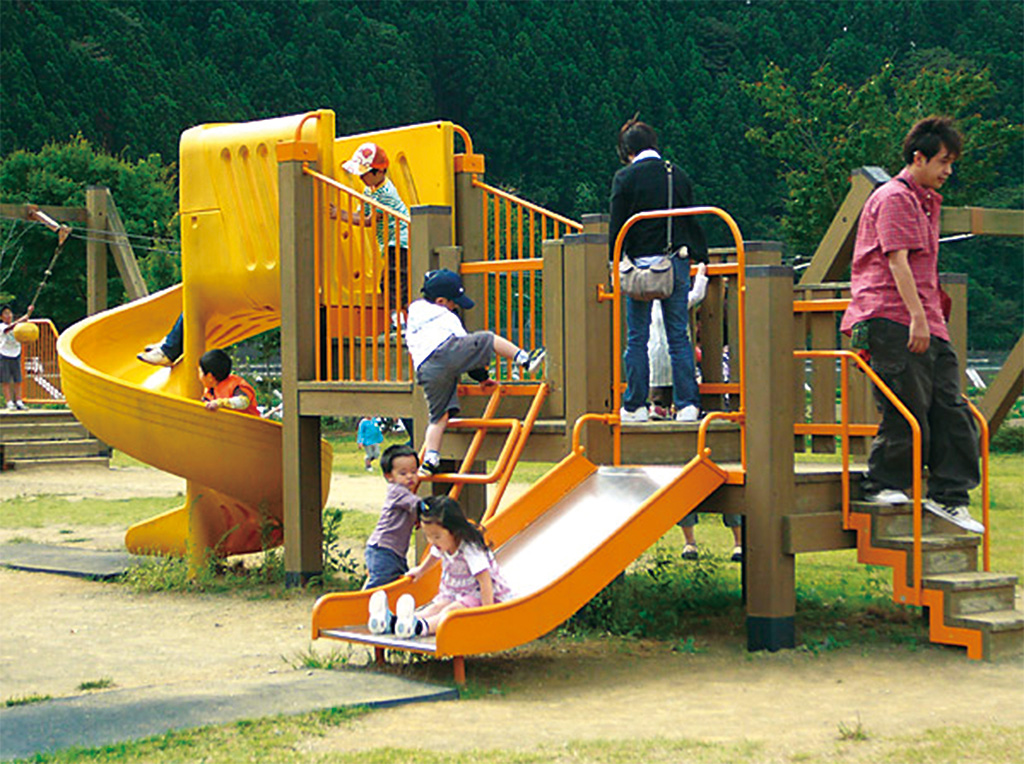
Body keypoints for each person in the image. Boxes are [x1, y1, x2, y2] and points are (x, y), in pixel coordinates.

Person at [840, 116, 983, 534]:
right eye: (943, 161)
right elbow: (896, 260)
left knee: (953, 409)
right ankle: (884, 482)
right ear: (918, 158)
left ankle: (950, 496)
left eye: (951, 163)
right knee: (907, 405)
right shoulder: (895, 198)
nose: (948, 171)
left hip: (926, 318)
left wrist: (930, 317)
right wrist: (918, 317)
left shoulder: (925, 201)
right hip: (892, 314)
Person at [609, 117, 709, 423]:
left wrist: (614, 261)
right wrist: (701, 256)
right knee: (679, 335)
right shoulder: (676, 175)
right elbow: (691, 218)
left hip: (639, 266)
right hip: (675, 262)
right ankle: (688, 405)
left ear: (627, 150)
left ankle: (635, 405)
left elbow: (617, 227)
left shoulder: (625, 177)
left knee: (636, 338)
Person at [406, 268, 545, 477]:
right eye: (454, 302)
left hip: (425, 369)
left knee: (438, 417)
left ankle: (430, 460)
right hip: (447, 352)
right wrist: (483, 378)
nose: (455, 307)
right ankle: (525, 360)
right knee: (487, 339)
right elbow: (466, 352)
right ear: (442, 301)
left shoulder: (415, 312)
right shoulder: (446, 316)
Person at [367, 495, 513, 638]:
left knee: (451, 610)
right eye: (428, 536)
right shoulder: (443, 542)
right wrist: (421, 570)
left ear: (455, 531)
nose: (431, 540)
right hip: (454, 592)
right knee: (435, 607)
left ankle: (418, 627)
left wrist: (487, 613)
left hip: (478, 597)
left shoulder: (470, 548)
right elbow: (434, 555)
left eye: (436, 536)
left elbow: (485, 580)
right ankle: (393, 622)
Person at [340, 142, 410, 319]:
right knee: (393, 279)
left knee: (393, 281)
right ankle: (399, 316)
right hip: (391, 241)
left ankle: (398, 319)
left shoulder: (385, 193)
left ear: (379, 172)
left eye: (364, 174)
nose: (361, 178)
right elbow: (361, 213)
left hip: (402, 241)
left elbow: (368, 220)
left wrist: (341, 215)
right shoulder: (369, 189)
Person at [648, 262, 709, 419]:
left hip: (654, 354)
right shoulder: (675, 303)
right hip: (673, 352)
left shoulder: (649, 302)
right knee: (679, 377)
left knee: (657, 384)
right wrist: (701, 275)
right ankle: (685, 408)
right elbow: (697, 294)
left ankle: (658, 407)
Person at [363, 444, 421, 591]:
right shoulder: (397, 491)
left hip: (395, 551)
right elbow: (418, 505)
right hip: (383, 549)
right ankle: (358, 606)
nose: (410, 476)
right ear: (389, 476)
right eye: (403, 473)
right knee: (381, 585)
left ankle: (390, 611)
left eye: (414, 472)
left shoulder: (405, 493)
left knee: (397, 585)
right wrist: (437, 508)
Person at [198, 348, 259, 416]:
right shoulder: (209, 391)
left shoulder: (235, 385)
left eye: (200, 371)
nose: (198, 376)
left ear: (210, 376)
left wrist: (221, 403)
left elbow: (244, 401)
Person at [0, 303, 34, 410]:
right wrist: (22, 319)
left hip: (16, 354)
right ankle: (9, 402)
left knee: (18, 380)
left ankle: (19, 401)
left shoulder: (18, 326)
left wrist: (29, 313)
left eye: (10, 313)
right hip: (4, 354)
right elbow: (9, 328)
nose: (9, 315)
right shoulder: (1, 327)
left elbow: (24, 332)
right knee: (5, 380)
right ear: (1, 317)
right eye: (5, 314)